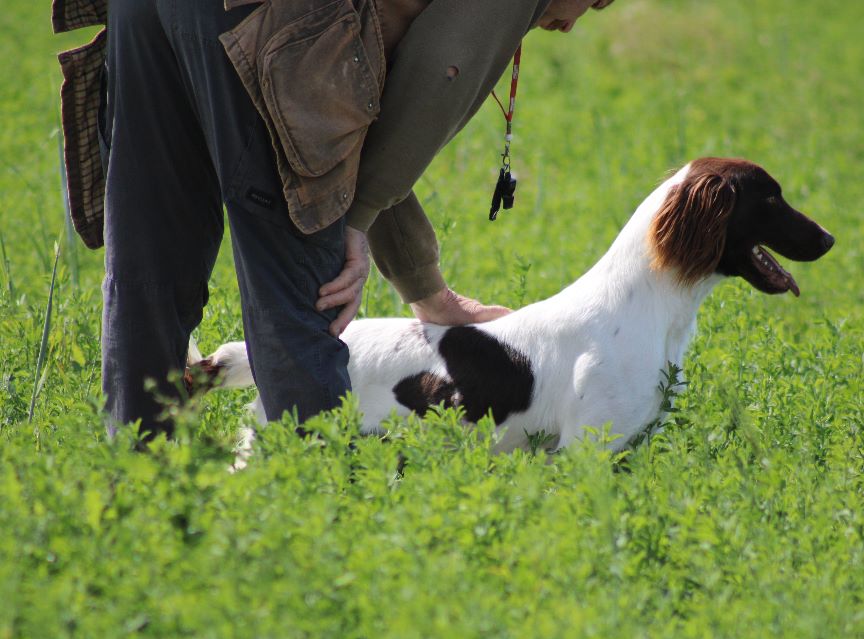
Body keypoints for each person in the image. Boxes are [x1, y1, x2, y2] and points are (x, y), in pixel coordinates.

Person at [53, 0, 614, 438]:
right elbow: (440, 71)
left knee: (150, 264)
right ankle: (309, 519)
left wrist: (425, 288)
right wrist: (354, 221)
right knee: (306, 292)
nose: (569, 26)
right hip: (262, 17)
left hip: (144, 11)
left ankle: (138, 489)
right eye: (592, 4)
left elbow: (359, 133)